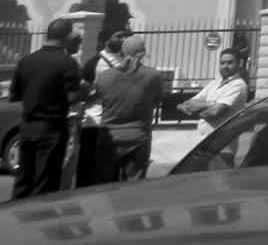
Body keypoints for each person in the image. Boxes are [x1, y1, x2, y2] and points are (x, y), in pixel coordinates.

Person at [8, 17, 85, 198]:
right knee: (45, 182)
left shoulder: (26, 61)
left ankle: (15, 217)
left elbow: (15, 95)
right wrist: (88, 92)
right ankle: (39, 221)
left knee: (23, 178)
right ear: (67, 36)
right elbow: (72, 97)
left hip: (27, 127)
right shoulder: (67, 62)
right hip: (52, 128)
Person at [91, 33, 167, 182]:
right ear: (143, 53)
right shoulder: (153, 76)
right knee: (133, 188)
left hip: (109, 136)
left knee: (105, 187)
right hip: (138, 136)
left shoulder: (105, 76)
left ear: (122, 51)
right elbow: (158, 100)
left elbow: (99, 97)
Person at [77, 28, 127, 186]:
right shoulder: (94, 63)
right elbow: (82, 94)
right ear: (106, 40)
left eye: (125, 36)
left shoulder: (126, 61)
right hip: (94, 123)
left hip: (115, 122)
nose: (123, 39)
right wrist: (99, 93)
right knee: (87, 168)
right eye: (118, 35)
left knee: (110, 172)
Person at [179, 48, 251, 134]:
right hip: (203, 139)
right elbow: (188, 103)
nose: (225, 66)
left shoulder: (238, 85)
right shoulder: (214, 84)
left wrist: (197, 110)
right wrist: (211, 104)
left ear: (239, 64)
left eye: (230, 63)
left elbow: (214, 112)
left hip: (220, 140)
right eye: (222, 63)